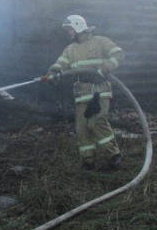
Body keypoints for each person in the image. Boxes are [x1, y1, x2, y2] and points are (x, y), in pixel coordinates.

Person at [45, 15, 124, 170]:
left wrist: (104, 69)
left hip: (99, 91)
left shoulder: (101, 42)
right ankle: (88, 162)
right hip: (81, 94)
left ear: (78, 27)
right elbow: (61, 63)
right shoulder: (70, 49)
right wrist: (53, 71)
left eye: (70, 29)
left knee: (97, 122)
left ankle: (114, 156)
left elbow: (119, 55)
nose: (68, 33)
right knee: (82, 128)